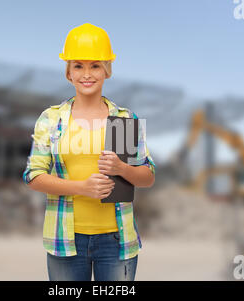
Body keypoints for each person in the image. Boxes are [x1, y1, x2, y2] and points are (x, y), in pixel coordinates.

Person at [23, 23, 156, 281]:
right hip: (65, 239)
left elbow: (148, 176)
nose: (87, 74)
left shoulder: (124, 119)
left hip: (117, 242)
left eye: (95, 65)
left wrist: (122, 169)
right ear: (68, 73)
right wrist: (81, 188)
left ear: (106, 70)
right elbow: (33, 176)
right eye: (78, 66)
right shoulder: (51, 119)